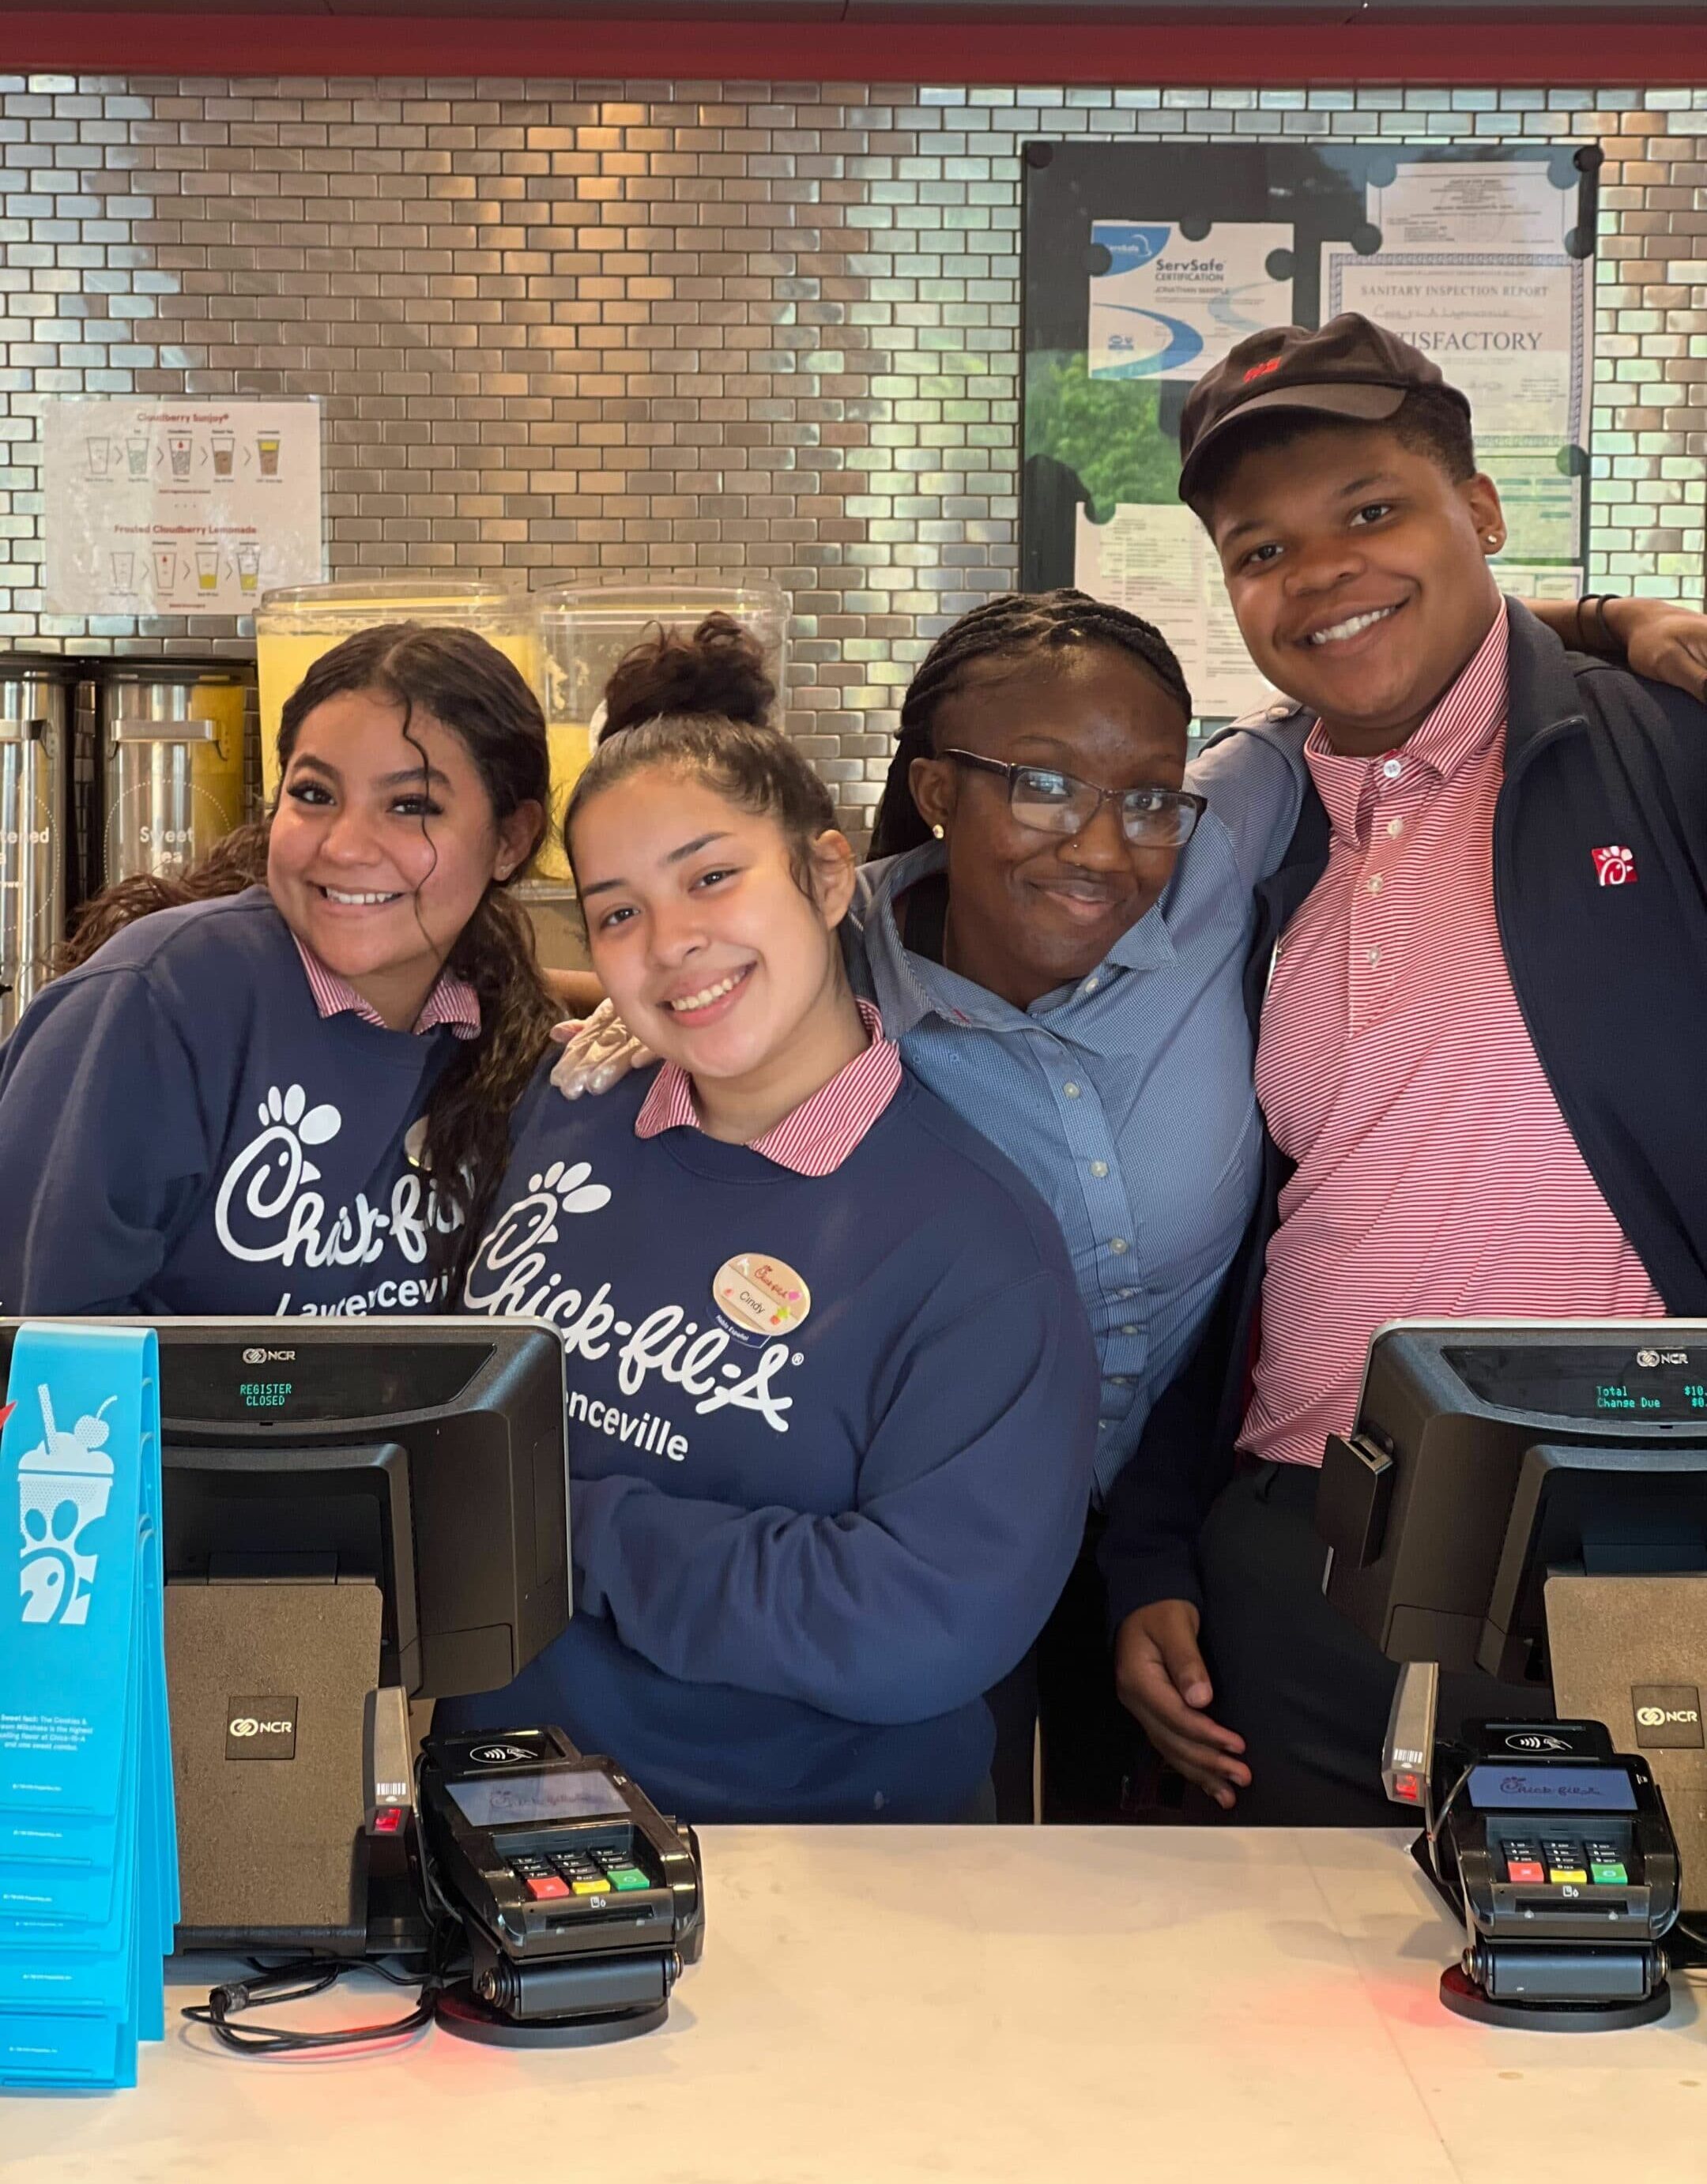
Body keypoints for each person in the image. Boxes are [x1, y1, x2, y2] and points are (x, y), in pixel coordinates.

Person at [552, 576, 1707, 1821]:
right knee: (965, 1815)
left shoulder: (1219, 850)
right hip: (937, 1510)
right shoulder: (843, 951)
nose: (1101, 845)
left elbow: (1364, 637)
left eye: (1146, 800)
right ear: (938, 792)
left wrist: (1599, 620)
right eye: (1041, 785)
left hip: (1171, 1511)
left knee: (1150, 1878)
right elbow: (717, 944)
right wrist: (648, 984)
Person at [1104, 314, 1707, 1824]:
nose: (1318, 574)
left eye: (1371, 511)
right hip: (1306, 1560)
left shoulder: (1665, 749)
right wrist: (1157, 1547)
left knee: (1633, 2028)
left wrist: (1607, 618)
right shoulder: (1243, 836)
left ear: (1482, 510)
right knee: (1294, 2039)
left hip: (1633, 1544)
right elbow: (1222, 1228)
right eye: (1262, 549)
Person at [442, 698, 1100, 1824]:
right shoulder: (570, 1105)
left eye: (711, 879)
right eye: (617, 912)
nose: (669, 943)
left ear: (828, 876)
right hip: (499, 1820)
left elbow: (922, 1624)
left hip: (810, 1859)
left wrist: (567, 1530)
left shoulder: (976, 1246)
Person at [0, 623, 554, 1316]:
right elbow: (39, 1344)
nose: (346, 847)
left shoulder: (500, 1031)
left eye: (410, 806)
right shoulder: (154, 1006)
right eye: (316, 795)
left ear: (510, 839)